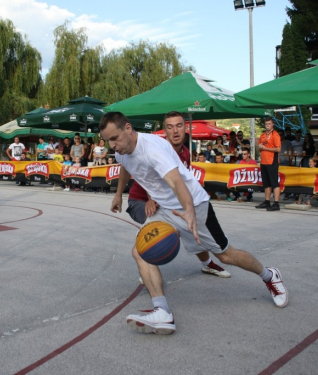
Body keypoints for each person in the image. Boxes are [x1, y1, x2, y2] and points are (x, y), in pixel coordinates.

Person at [100, 111, 288, 335]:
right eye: (108, 141)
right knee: (140, 251)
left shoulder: (153, 149)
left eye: (115, 139)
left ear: (128, 129)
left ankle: (269, 275)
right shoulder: (122, 151)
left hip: (194, 206)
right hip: (164, 208)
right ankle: (162, 312)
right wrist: (118, 194)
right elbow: (126, 166)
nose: (112, 146)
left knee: (226, 255)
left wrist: (188, 210)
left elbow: (176, 181)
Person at [126, 112, 230, 280]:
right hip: (141, 200)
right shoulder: (156, 150)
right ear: (164, 131)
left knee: (191, 226)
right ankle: (147, 266)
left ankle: (207, 263)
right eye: (169, 127)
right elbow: (143, 173)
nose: (175, 131)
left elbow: (178, 182)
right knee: (160, 232)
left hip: (165, 201)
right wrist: (150, 198)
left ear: (185, 128)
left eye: (178, 126)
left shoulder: (186, 153)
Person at [256, 118, 281, 211]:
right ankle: (267, 201)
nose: (267, 125)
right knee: (266, 183)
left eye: (269, 124)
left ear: (272, 124)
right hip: (263, 161)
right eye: (266, 123)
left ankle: (276, 203)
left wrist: (265, 148)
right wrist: (260, 148)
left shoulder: (275, 135)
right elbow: (259, 148)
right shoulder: (262, 135)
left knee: (274, 182)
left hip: (272, 161)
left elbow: (278, 149)